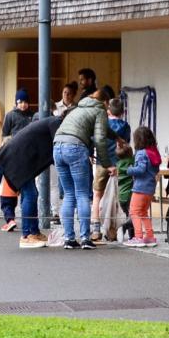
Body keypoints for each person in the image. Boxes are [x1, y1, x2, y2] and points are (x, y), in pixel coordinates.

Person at [53, 85, 114, 249]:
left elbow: (103, 130)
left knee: (69, 194)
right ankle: (85, 238)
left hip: (58, 147)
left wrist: (117, 137)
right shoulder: (100, 110)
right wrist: (107, 164)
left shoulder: (80, 107)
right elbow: (100, 139)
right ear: (105, 102)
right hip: (75, 148)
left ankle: (69, 239)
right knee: (81, 194)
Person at [0, 114, 64, 249]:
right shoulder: (57, 122)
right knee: (30, 195)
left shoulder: (54, 121)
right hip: (17, 159)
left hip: (19, 158)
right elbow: (58, 145)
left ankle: (34, 232)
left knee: (31, 194)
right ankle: (26, 235)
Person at [91, 97, 130, 242]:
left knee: (97, 196)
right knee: (117, 198)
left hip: (102, 163)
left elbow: (94, 140)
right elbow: (125, 145)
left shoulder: (102, 124)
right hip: (119, 165)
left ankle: (96, 229)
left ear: (108, 111)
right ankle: (114, 230)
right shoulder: (125, 126)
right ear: (122, 112)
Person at [123, 126, 161, 247]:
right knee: (143, 212)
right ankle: (150, 237)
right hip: (150, 189)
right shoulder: (154, 152)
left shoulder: (141, 153)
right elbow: (155, 170)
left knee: (134, 212)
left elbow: (141, 169)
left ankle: (138, 237)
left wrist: (129, 170)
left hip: (140, 188)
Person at [0, 164, 18, 231]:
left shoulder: (3, 160)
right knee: (12, 207)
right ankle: (11, 222)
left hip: (5, 189)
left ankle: (10, 221)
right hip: (15, 188)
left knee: (6, 206)